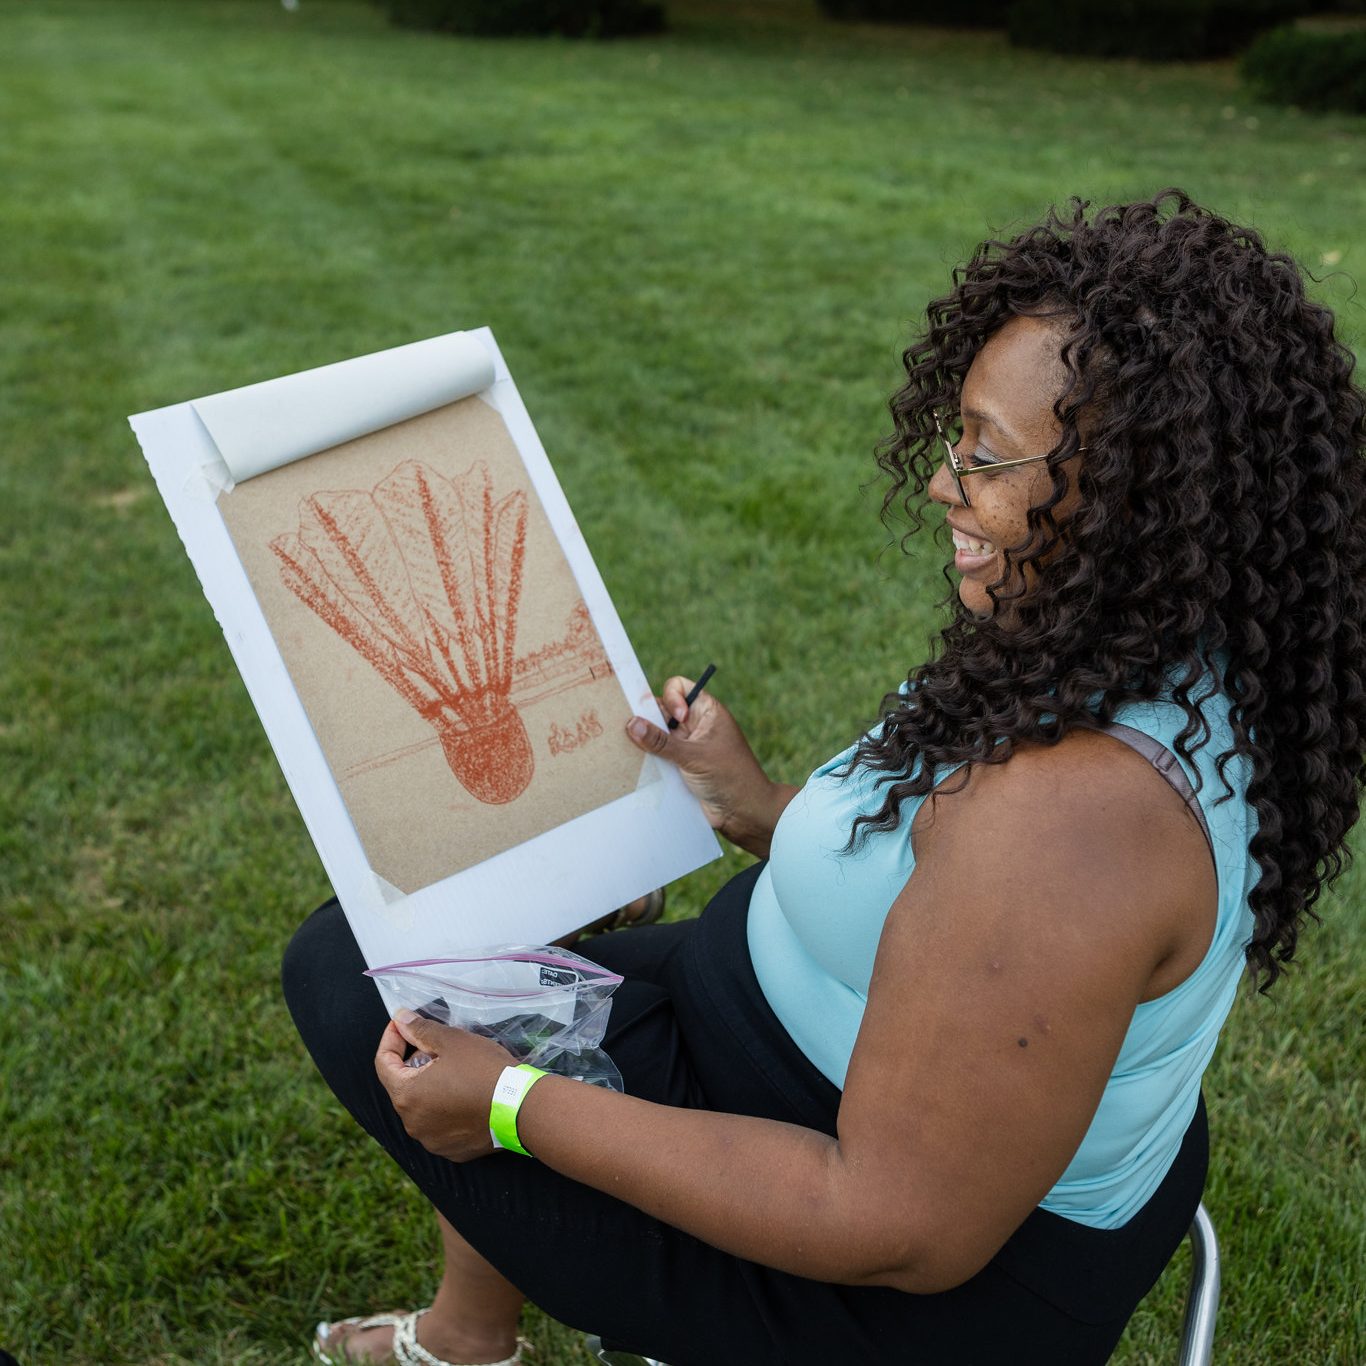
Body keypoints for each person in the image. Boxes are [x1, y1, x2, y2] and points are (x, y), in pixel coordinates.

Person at [283, 191, 1366, 1366]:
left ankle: (471, 1328)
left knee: (360, 981)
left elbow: (889, 1225)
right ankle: (466, 1337)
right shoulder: (1138, 638)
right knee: (443, 944)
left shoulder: (1072, 820)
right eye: (957, 439)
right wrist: (754, 807)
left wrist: (509, 1106)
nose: (948, 485)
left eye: (991, 458)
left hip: (865, 1278)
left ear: (1140, 500)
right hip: (798, 1052)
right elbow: (946, 927)